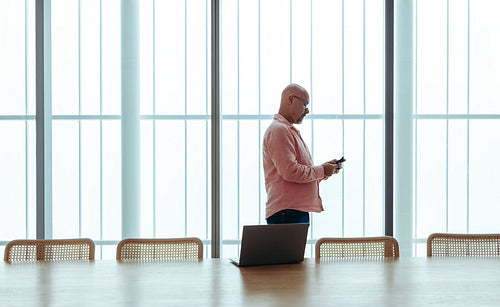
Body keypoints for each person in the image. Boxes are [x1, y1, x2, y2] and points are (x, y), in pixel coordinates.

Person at [263, 83, 345, 224]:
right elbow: (290, 172)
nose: (307, 111)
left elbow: (293, 178)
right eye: (305, 105)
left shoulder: (285, 130)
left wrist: (325, 171)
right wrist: (321, 170)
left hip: (290, 211)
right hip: (287, 212)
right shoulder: (280, 130)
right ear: (291, 99)